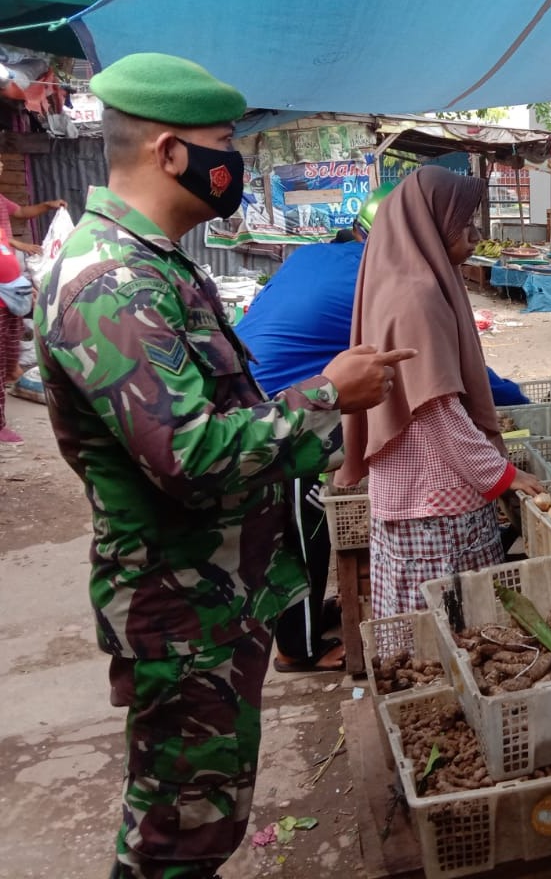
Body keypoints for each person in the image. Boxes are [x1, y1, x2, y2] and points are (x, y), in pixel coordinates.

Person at [34, 52, 413, 879]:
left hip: (211, 596)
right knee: (176, 838)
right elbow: (190, 455)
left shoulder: (157, 264)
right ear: (172, 153)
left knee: (202, 823)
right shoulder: (112, 283)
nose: (233, 159)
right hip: (179, 609)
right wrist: (328, 396)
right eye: (223, 141)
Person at [338, 165, 545, 615]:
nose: (473, 236)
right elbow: (437, 412)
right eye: (464, 223)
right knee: (454, 627)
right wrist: (504, 477)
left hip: (409, 488)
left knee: (418, 626)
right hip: (435, 499)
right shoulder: (417, 295)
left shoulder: (402, 277)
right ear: (430, 222)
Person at [235, 181, 396, 674]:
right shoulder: (374, 279)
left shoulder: (311, 257)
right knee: (303, 529)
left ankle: (301, 616)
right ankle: (298, 648)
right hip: (277, 409)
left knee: (300, 523)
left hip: (244, 390)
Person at [0, 172, 67, 443]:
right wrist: (16, 244)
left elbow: (22, 213)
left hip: (10, 295)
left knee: (10, 347)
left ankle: (12, 373)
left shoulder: (1, 202)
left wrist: (48, 205)